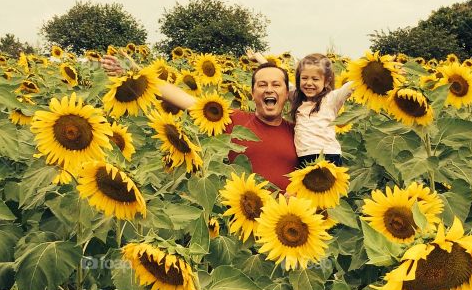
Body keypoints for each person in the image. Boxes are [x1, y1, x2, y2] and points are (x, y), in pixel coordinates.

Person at [99, 53, 298, 190]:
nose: (269, 90)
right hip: (239, 220)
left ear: (286, 93)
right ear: (253, 93)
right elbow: (181, 98)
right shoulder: (232, 119)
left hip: (283, 229)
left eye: (276, 85)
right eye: (262, 85)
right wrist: (132, 74)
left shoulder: (299, 131)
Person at [290, 53, 353, 166]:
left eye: (315, 79)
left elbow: (350, 86)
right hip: (303, 156)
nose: (309, 83)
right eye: (304, 78)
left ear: (327, 81)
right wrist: (258, 58)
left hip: (329, 155)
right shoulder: (296, 97)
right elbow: (280, 78)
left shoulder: (332, 99)